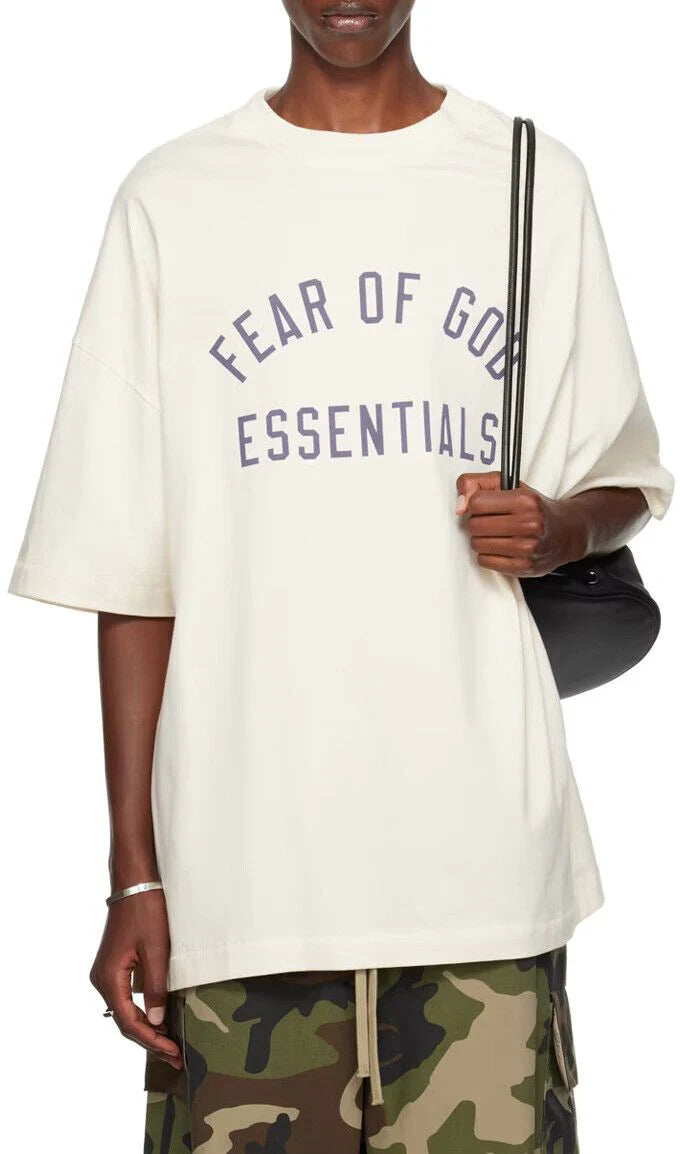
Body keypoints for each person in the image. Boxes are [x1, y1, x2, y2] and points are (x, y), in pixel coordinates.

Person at [9, 1, 674, 1151]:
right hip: (241, 878)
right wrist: (134, 876)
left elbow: (620, 475)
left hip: (480, 867)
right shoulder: (174, 197)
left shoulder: (528, 179)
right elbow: (132, 571)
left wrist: (559, 525)